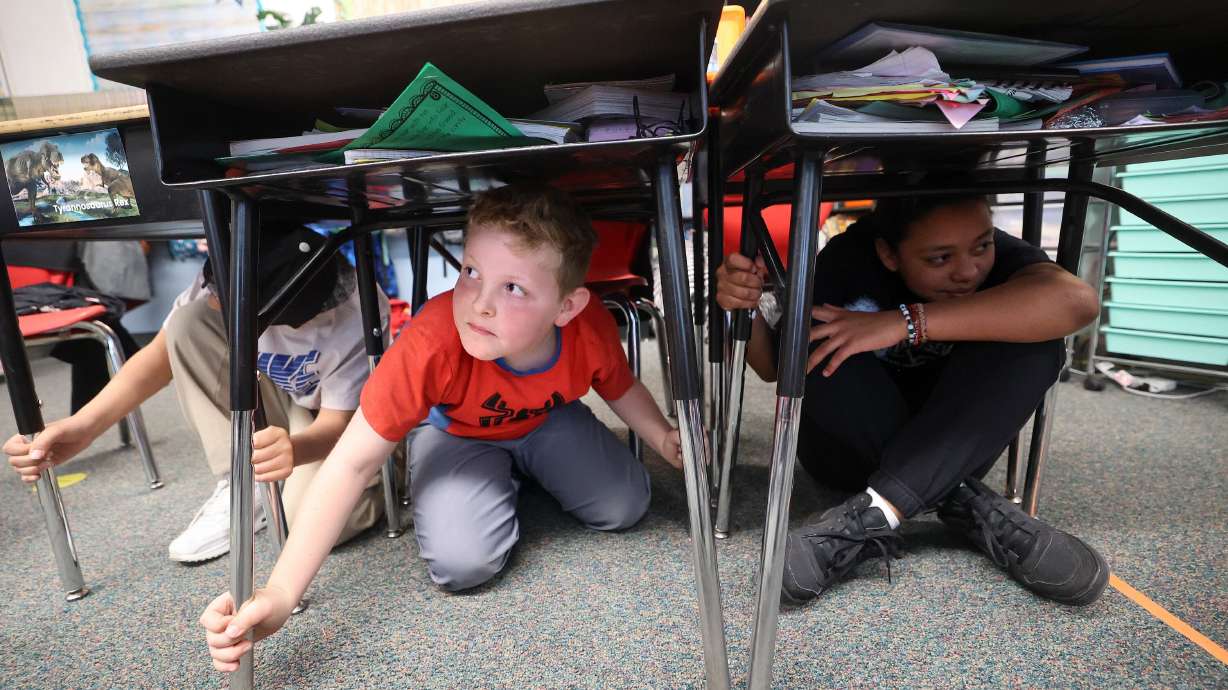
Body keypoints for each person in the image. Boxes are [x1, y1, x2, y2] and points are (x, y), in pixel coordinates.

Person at [200, 184, 681, 671]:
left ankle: (521, 474)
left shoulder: (589, 326)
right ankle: (505, 478)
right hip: (455, 432)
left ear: (567, 307)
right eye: (471, 272)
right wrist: (280, 593)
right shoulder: (430, 339)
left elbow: (620, 388)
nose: (480, 304)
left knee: (625, 505)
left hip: (546, 419)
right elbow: (350, 462)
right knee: (463, 565)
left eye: (512, 287)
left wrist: (663, 435)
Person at [715, 186, 1109, 606]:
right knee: (812, 342)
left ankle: (875, 512)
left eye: (982, 246)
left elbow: (1078, 304)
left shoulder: (987, 252)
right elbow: (772, 367)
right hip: (847, 455)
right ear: (889, 254)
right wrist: (744, 307)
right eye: (939, 259)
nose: (968, 271)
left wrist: (907, 322)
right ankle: (963, 500)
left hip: (952, 437)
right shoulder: (847, 260)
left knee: (1039, 341)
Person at [5, 223, 386, 562]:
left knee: (311, 527)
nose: (214, 303)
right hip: (285, 402)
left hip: (347, 423)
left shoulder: (357, 311)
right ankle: (243, 481)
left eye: (227, 305)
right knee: (189, 322)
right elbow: (158, 357)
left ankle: (389, 477)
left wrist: (295, 451)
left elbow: (338, 424)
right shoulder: (233, 269)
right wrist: (83, 427)